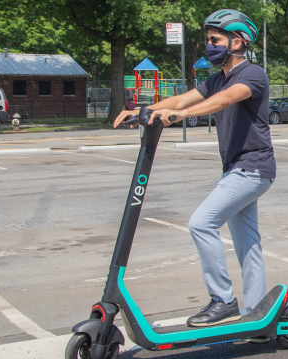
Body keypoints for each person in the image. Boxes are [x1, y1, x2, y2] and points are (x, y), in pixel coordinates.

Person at [114, 9, 275, 335]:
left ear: (237, 41)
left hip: (252, 169)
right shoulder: (216, 78)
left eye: (215, 40)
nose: (209, 45)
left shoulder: (252, 74)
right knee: (248, 246)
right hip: (237, 169)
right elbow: (182, 98)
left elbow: (225, 100)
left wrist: (179, 116)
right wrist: (145, 109)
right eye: (207, 40)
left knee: (201, 223)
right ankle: (258, 319)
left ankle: (223, 300)